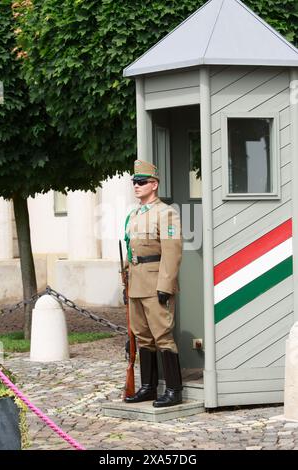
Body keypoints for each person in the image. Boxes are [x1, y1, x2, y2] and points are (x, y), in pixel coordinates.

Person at [124, 159, 183, 407]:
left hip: (155, 282)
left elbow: (173, 251)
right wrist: (126, 283)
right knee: (142, 337)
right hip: (136, 282)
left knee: (163, 336)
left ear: (154, 184)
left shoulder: (166, 213)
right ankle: (148, 387)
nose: (136, 186)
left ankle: (173, 389)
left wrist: (165, 286)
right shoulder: (134, 214)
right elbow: (130, 250)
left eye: (142, 182)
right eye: (134, 182)